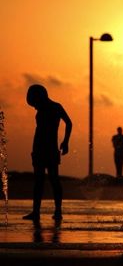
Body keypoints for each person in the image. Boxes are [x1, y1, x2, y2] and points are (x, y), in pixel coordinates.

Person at [23, 84, 72, 221]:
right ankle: (39, 212)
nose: (35, 107)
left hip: (48, 149)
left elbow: (69, 122)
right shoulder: (54, 107)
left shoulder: (55, 107)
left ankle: (56, 211)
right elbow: (68, 123)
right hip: (41, 149)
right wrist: (65, 141)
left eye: (35, 103)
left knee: (51, 180)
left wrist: (66, 141)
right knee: (43, 180)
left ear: (40, 97)